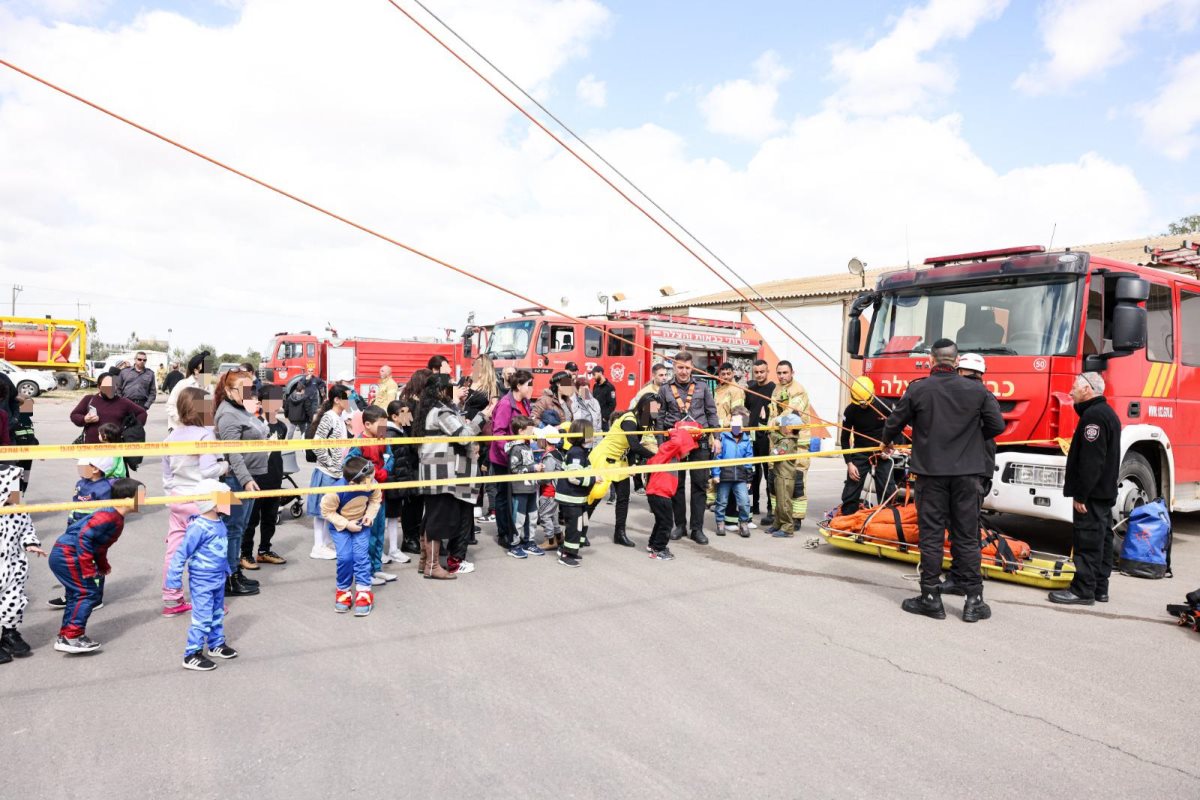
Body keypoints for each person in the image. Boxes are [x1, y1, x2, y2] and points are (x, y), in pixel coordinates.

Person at [882, 338, 1004, 622]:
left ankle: (930, 598)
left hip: (931, 474)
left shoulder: (919, 389)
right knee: (967, 536)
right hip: (968, 475)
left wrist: (886, 442)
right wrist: (970, 441)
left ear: (931, 360)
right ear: (956, 360)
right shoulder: (978, 392)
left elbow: (894, 423)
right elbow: (996, 426)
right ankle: (974, 601)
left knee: (932, 535)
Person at [48, 478, 143, 654]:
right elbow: (83, 537)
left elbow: (100, 545)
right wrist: (87, 568)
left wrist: (102, 565)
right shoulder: (108, 515)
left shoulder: (116, 517)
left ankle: (67, 635)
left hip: (68, 554)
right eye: (141, 496)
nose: (145, 500)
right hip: (67, 555)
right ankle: (72, 637)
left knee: (76, 594)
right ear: (125, 499)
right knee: (87, 593)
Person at [1051, 372, 1121, 606]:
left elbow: (1092, 461)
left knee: (1088, 540)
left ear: (1087, 390)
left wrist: (1081, 494)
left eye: (1074, 388)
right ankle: (1100, 588)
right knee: (1101, 538)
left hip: (1092, 494)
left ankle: (1083, 591)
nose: (1070, 393)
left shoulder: (1093, 417)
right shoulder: (1106, 413)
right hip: (1103, 492)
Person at [417, 374, 494, 578]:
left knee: (432, 519)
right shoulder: (441, 412)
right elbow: (463, 436)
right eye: (450, 387)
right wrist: (482, 417)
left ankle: (426, 563)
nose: (455, 389)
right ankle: (432, 566)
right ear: (441, 390)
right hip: (441, 472)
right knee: (436, 521)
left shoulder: (436, 410)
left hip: (436, 471)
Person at [161, 387, 228, 616]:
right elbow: (209, 470)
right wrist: (225, 466)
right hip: (202, 501)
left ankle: (171, 599)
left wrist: (173, 494)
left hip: (178, 499)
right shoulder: (205, 435)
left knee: (175, 550)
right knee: (209, 554)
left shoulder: (171, 435)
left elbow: (167, 474)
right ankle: (208, 603)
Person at [165, 478, 239, 671]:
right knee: (202, 616)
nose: (229, 501)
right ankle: (192, 653)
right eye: (225, 498)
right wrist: (173, 580)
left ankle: (215, 644)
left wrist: (226, 570)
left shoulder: (219, 522)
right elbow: (181, 554)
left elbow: (220, 550)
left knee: (217, 612)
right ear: (213, 503)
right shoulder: (198, 527)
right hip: (202, 581)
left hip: (218, 578)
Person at [212, 369, 267, 597]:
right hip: (234, 480)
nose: (248, 393)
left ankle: (234, 572)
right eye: (243, 389)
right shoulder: (227, 415)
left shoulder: (241, 408)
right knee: (232, 529)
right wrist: (245, 480)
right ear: (228, 390)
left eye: (250, 388)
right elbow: (232, 453)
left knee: (239, 528)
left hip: (247, 478)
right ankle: (229, 578)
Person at [657, 351, 718, 545]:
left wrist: (716, 437)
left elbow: (711, 412)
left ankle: (697, 529)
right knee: (677, 486)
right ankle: (680, 525)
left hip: (699, 443)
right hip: (675, 443)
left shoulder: (702, 387)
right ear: (674, 367)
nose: (684, 371)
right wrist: (661, 445)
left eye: (687, 367)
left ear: (692, 367)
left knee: (700, 485)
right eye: (680, 367)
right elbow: (660, 417)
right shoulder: (665, 389)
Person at [586, 393, 659, 547]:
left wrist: (633, 464)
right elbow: (635, 445)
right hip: (603, 459)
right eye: (653, 408)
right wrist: (657, 456)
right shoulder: (629, 420)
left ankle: (620, 534)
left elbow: (632, 449)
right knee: (594, 497)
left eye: (657, 409)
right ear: (644, 406)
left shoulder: (641, 421)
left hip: (619, 462)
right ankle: (579, 532)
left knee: (623, 498)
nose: (655, 412)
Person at [321, 455, 382, 616]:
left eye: (373, 477)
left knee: (361, 557)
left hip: (362, 525)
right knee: (345, 558)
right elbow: (326, 511)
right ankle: (343, 591)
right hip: (341, 527)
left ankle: (363, 592)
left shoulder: (371, 483)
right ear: (352, 483)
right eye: (368, 480)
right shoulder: (335, 492)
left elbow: (376, 499)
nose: (372, 482)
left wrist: (369, 515)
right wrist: (347, 524)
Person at [346, 405, 396, 585]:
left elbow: (391, 458)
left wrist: (385, 471)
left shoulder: (383, 440)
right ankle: (364, 573)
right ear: (367, 424)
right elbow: (350, 464)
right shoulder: (359, 443)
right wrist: (372, 473)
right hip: (364, 498)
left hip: (380, 494)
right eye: (381, 425)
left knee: (379, 532)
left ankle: (376, 568)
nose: (384, 429)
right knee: (366, 535)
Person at [240, 387, 288, 571]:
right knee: (251, 520)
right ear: (262, 402)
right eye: (275, 399)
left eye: (280, 399)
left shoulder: (282, 426)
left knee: (270, 518)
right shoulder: (254, 424)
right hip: (256, 479)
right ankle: (245, 554)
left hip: (275, 478)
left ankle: (264, 550)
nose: (279, 403)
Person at [0, 465, 44, 664]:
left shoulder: (19, 509)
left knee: (14, 603)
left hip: (14, 566)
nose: (18, 491)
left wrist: (31, 543)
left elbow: (27, 528)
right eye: (13, 487)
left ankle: (9, 633)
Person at [489, 369, 535, 549]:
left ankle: (517, 532)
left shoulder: (525, 402)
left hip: (522, 457)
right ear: (518, 385)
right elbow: (498, 432)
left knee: (518, 497)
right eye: (528, 384)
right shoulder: (505, 404)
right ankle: (504, 533)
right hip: (504, 459)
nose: (531, 387)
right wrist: (508, 453)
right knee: (504, 497)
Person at [838, 376, 895, 515]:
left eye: (865, 403)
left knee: (888, 490)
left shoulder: (884, 406)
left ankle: (888, 521)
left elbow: (896, 427)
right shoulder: (850, 410)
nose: (863, 405)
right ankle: (847, 521)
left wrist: (890, 446)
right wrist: (849, 463)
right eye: (860, 403)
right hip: (860, 452)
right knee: (851, 491)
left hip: (881, 452)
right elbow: (844, 439)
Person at [644, 423, 701, 560]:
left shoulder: (671, 455)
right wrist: (675, 432)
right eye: (688, 448)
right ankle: (659, 549)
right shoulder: (668, 451)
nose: (689, 452)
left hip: (660, 493)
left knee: (661, 521)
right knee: (667, 523)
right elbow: (676, 441)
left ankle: (653, 544)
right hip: (660, 493)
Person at [767, 361, 811, 537]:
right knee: (776, 482)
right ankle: (779, 519)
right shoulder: (776, 389)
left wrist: (773, 423)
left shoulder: (799, 390)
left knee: (795, 483)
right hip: (779, 443)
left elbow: (790, 416)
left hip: (796, 445)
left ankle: (795, 519)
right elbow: (773, 413)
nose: (782, 376)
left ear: (793, 372)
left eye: (785, 372)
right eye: (779, 373)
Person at [306, 385, 351, 559]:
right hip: (326, 471)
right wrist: (331, 463)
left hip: (336, 472)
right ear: (337, 400)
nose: (349, 402)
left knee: (329, 509)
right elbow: (317, 442)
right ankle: (318, 546)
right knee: (321, 510)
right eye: (346, 398)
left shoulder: (340, 417)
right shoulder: (329, 417)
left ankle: (325, 543)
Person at [555, 420, 595, 568]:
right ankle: (566, 554)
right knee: (575, 525)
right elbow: (574, 477)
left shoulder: (582, 451)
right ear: (582, 434)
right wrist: (593, 479)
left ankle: (571, 548)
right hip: (571, 497)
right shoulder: (576, 453)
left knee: (583, 523)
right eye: (590, 432)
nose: (592, 435)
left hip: (579, 496)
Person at [505, 415, 546, 558]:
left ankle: (529, 541)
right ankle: (514, 544)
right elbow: (515, 468)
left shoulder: (527, 445)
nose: (533, 431)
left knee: (532, 516)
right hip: (520, 488)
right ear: (521, 431)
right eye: (530, 429)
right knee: (519, 517)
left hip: (531, 487)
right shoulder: (516, 448)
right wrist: (534, 467)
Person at [383, 399, 418, 562]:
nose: (408, 416)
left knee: (392, 516)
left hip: (398, 482)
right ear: (394, 416)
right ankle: (380, 551)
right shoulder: (389, 433)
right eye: (404, 413)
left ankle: (393, 549)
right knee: (383, 518)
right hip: (390, 482)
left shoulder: (401, 430)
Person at [711, 406, 754, 538]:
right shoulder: (723, 438)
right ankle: (720, 522)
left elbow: (749, 460)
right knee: (721, 501)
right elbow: (717, 457)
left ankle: (744, 523)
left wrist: (749, 479)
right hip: (725, 476)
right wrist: (716, 474)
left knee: (744, 502)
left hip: (740, 478)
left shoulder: (746, 440)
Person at [69, 373, 147, 444]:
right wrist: (84, 419)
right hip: (91, 448)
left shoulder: (123, 402)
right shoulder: (89, 399)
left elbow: (142, 413)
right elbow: (74, 415)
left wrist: (130, 430)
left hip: (114, 449)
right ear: (99, 387)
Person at [744, 360, 775, 523]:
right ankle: (754, 505)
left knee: (768, 473)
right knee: (753, 473)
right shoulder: (750, 389)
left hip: (766, 437)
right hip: (752, 436)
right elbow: (748, 408)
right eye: (756, 372)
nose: (759, 375)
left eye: (762, 371)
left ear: (767, 371)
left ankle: (770, 508)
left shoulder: (773, 389)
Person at [167, 351, 210, 433]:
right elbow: (170, 406)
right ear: (195, 370)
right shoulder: (183, 384)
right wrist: (182, 421)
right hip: (179, 430)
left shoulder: (209, 387)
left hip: (199, 432)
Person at [70, 458, 113, 524]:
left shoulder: (105, 488)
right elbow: (75, 502)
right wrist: (71, 520)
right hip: (75, 522)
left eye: (83, 468)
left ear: (95, 469)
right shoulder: (80, 483)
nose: (79, 471)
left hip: (91, 525)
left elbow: (105, 512)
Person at [714, 362, 745, 426]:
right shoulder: (719, 389)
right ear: (719, 375)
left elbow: (737, 416)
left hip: (728, 431)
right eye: (723, 374)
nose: (726, 377)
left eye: (728, 374)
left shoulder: (736, 390)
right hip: (718, 429)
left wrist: (736, 434)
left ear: (733, 374)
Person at [591, 366, 616, 431]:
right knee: (591, 438)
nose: (593, 377)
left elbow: (612, 404)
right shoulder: (595, 386)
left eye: (594, 374)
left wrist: (605, 417)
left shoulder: (609, 387)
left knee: (604, 436)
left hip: (603, 419)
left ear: (600, 373)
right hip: (594, 417)